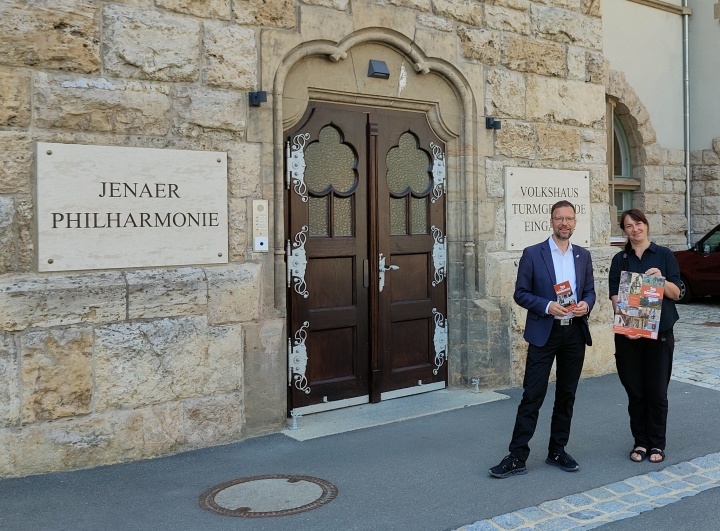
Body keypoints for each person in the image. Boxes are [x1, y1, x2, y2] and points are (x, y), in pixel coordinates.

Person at [489, 200, 596, 478]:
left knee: (566, 395)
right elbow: (520, 293)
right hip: (544, 332)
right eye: (559, 218)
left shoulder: (582, 256)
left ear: (575, 222)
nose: (564, 223)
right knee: (532, 395)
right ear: (551, 222)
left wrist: (586, 304)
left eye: (569, 219)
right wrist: (547, 306)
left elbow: (591, 292)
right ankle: (517, 456)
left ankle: (557, 450)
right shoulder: (533, 254)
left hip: (573, 331)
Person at [608, 209, 681, 464]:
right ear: (624, 231)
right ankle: (640, 441)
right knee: (635, 391)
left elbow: (676, 292)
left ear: (646, 225)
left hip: (659, 334)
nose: (634, 229)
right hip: (629, 336)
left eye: (638, 224)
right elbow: (616, 298)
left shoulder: (664, 255)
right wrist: (630, 327)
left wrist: (660, 281)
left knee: (657, 391)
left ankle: (657, 444)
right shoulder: (620, 260)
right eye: (628, 226)